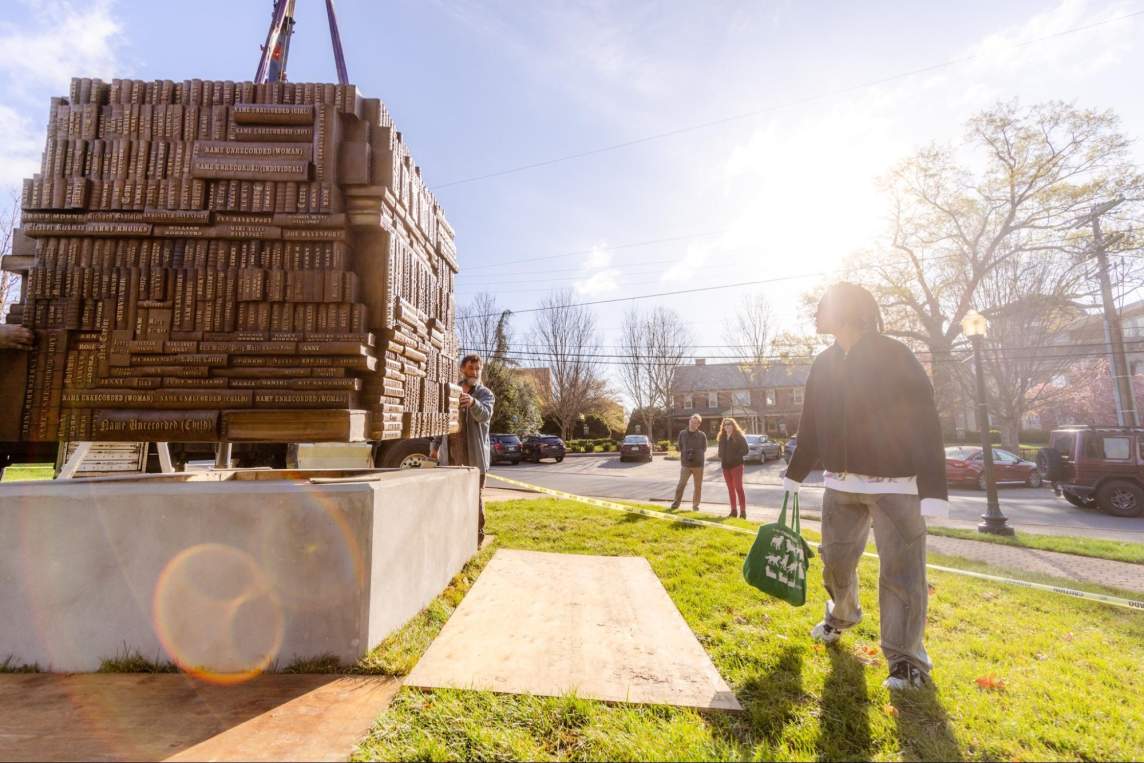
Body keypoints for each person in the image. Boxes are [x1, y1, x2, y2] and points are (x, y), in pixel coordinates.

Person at [784, 282, 947, 691]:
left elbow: (926, 423)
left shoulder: (896, 355)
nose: (815, 314)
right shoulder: (823, 364)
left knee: (901, 575)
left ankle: (907, 663)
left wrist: (934, 491)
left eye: (822, 307)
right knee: (835, 562)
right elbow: (810, 427)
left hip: (897, 487)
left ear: (844, 311)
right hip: (839, 486)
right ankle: (840, 617)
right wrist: (794, 475)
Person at [430, 354, 495, 544]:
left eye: (478, 368)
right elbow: (442, 421)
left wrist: (473, 403)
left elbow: (485, 415)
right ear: (462, 369)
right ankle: (455, 536)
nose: (475, 372)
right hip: (450, 457)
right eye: (471, 368)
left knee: (475, 499)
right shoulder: (451, 392)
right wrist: (435, 447)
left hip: (475, 459)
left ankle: (477, 538)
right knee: (451, 498)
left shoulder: (485, 394)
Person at [670, 413, 707, 510]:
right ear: (689, 421)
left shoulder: (702, 435)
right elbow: (680, 447)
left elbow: (704, 448)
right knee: (681, 484)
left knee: (698, 487)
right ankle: (676, 504)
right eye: (691, 421)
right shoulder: (682, 433)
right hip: (685, 464)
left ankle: (695, 506)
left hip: (698, 465)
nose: (692, 424)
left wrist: (697, 454)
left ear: (698, 424)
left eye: (695, 423)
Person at [717, 418, 749, 518]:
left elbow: (746, 450)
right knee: (730, 489)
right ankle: (733, 511)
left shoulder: (739, 436)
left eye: (729, 424)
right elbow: (720, 450)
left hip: (736, 466)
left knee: (738, 488)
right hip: (725, 467)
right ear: (723, 427)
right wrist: (720, 455)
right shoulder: (722, 437)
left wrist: (735, 457)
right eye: (725, 425)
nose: (727, 426)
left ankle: (743, 512)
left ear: (733, 425)